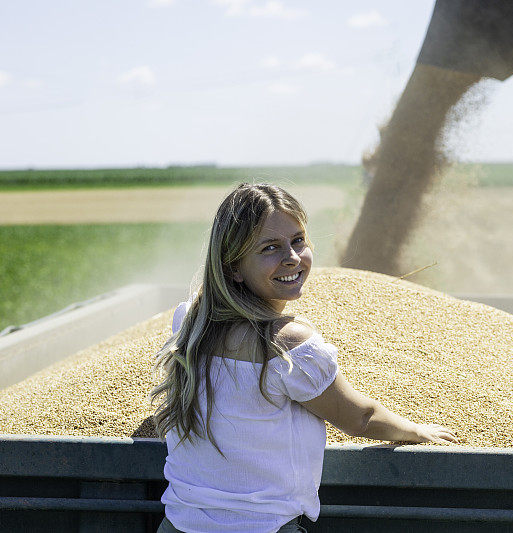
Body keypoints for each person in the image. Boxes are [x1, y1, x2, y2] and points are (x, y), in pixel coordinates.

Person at [151, 183, 458, 533]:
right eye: (270, 248)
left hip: (177, 525)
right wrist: (416, 430)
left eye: (298, 240)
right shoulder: (288, 344)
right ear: (233, 267)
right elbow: (359, 417)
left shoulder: (190, 321)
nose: (292, 258)